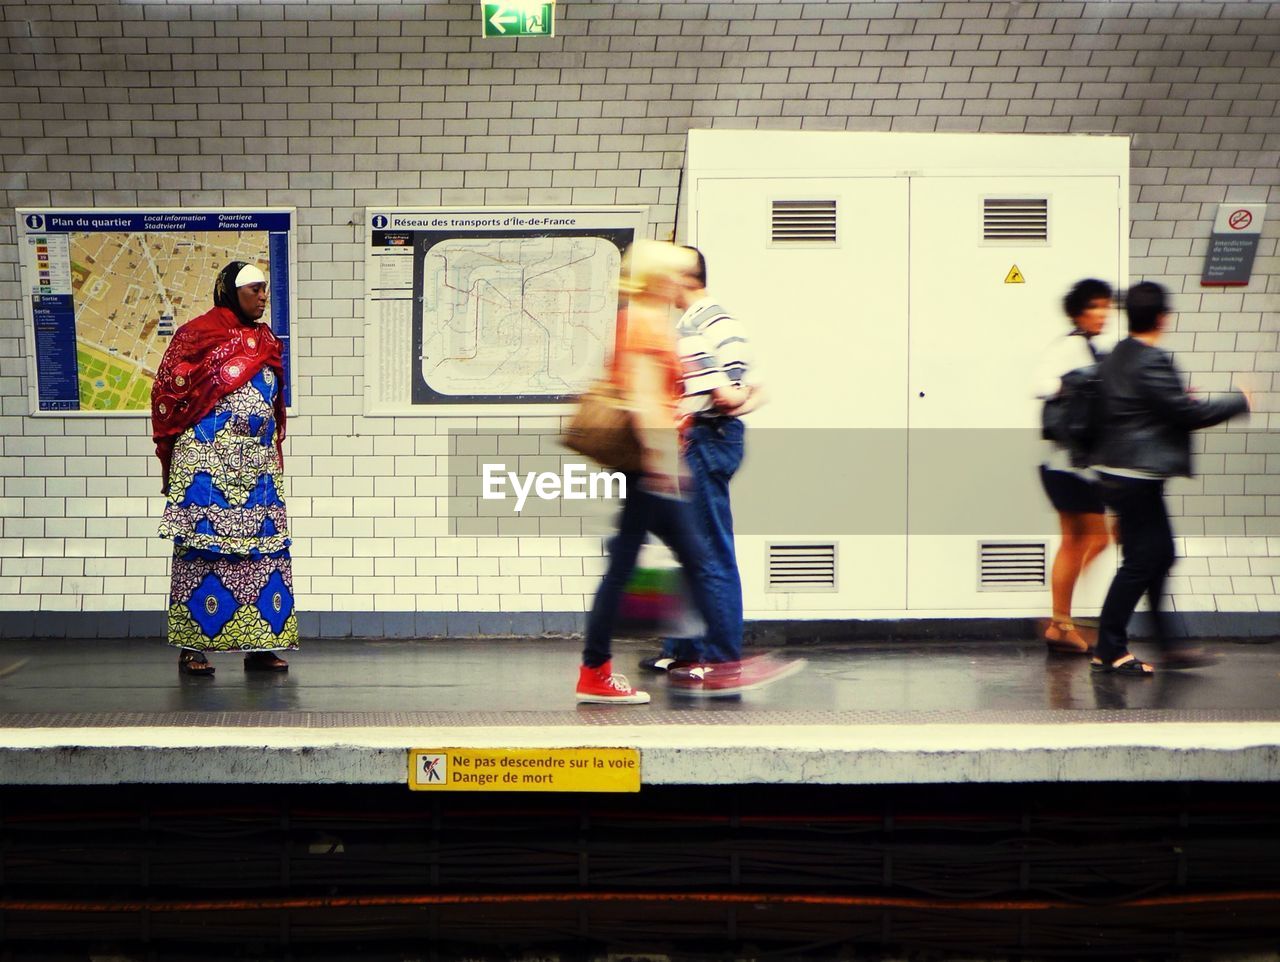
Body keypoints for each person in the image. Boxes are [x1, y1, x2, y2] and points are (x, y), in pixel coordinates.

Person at [577, 241, 748, 704]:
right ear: (656, 278)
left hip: (649, 469)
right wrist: (666, 467)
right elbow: (647, 399)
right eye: (672, 276)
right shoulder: (648, 325)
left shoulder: (640, 319)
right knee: (698, 560)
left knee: (642, 565)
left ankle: (600, 670)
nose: (679, 285)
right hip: (655, 469)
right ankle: (720, 663)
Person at [1090, 281, 1250, 675]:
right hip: (1135, 478)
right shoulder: (1151, 359)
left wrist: (1175, 401)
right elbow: (1187, 414)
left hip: (1119, 473)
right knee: (1140, 562)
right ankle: (1109, 648)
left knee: (1159, 555)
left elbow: (1140, 408)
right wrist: (1238, 400)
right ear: (1163, 318)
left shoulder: (1116, 356)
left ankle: (1167, 645)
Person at [151, 261, 297, 677]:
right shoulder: (198, 333)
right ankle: (193, 649)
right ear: (231, 292)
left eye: (266, 289)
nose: (263, 296)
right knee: (203, 553)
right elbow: (169, 386)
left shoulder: (265, 338)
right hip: (208, 465)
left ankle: (262, 644)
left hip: (257, 467)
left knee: (264, 554)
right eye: (255, 289)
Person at [637, 248, 770, 685]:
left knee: (710, 550)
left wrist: (740, 398)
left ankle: (720, 657)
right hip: (701, 438)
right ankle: (686, 649)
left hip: (706, 439)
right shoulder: (704, 322)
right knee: (691, 550)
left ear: (682, 279)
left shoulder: (704, 324)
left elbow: (725, 392)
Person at [1033, 279, 1114, 654]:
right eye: (1096, 306)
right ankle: (1060, 621)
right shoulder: (1069, 347)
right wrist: (1071, 386)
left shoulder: (1088, 349)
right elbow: (1041, 384)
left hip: (1074, 465)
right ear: (1079, 311)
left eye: (1106, 306)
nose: (1103, 313)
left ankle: (1060, 620)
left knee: (1086, 539)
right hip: (1069, 464)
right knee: (1087, 539)